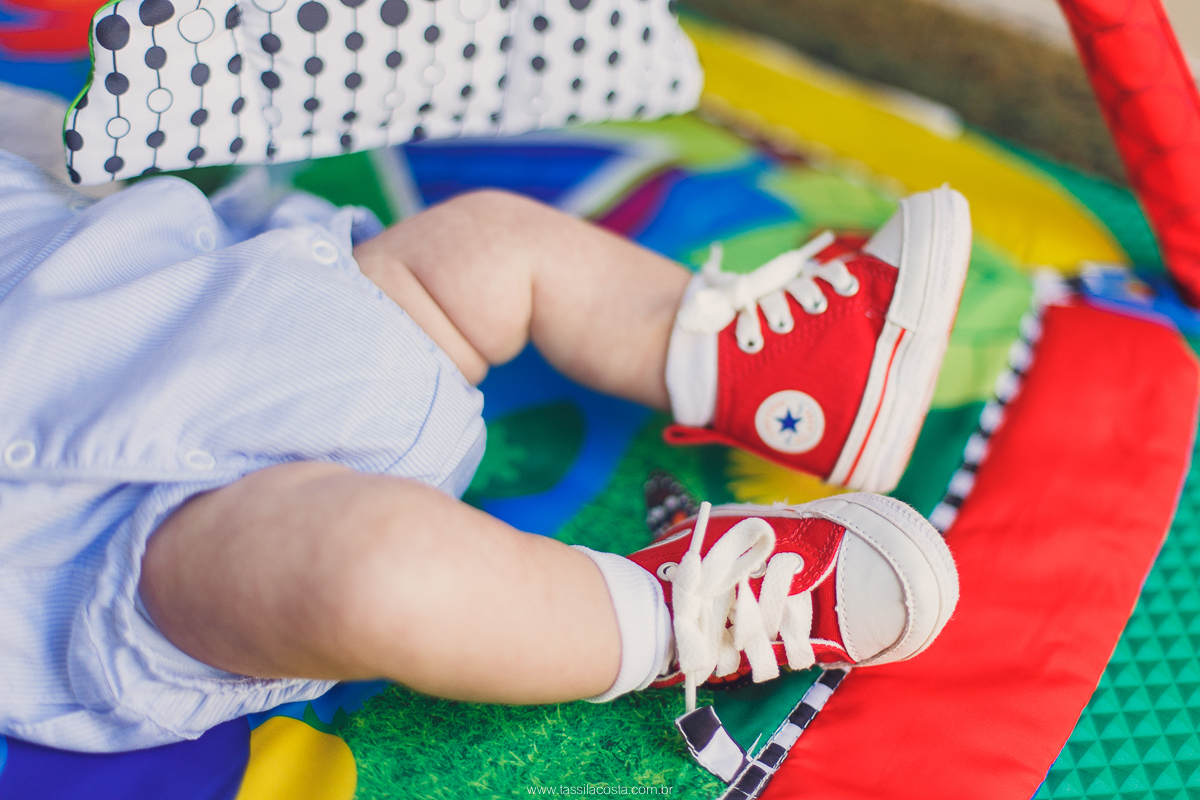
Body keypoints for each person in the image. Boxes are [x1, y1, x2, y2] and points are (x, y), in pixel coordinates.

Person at [0, 146, 966, 753]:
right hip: (104, 553)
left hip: (226, 325)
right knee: (374, 573)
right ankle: (673, 615)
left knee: (487, 245)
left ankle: (800, 383)